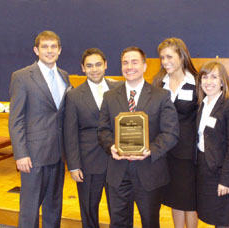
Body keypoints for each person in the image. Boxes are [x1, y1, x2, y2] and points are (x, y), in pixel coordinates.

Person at [98, 46, 180, 228]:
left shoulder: (161, 96)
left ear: (144, 66)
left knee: (150, 223)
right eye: (125, 63)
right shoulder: (110, 97)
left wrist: (150, 150)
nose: (129, 67)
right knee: (118, 223)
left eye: (134, 62)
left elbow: (171, 133)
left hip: (149, 172)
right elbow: (103, 131)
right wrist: (111, 146)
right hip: (118, 172)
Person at [8, 30, 71, 228]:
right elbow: (15, 119)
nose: (49, 51)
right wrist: (20, 154)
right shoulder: (22, 77)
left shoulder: (64, 76)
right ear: (36, 50)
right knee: (30, 208)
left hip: (58, 154)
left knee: (54, 206)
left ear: (60, 50)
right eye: (45, 46)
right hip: (33, 156)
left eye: (54, 47)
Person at [64, 48, 121, 228]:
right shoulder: (73, 96)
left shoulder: (119, 89)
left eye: (98, 64)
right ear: (82, 68)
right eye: (89, 66)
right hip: (89, 163)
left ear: (105, 65)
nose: (94, 69)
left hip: (116, 161)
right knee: (89, 209)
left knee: (119, 210)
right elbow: (70, 133)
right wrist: (73, 166)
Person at [153, 38, 198, 228]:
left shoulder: (196, 82)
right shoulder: (158, 83)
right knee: (173, 199)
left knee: (189, 201)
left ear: (181, 56)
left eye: (169, 56)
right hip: (165, 152)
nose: (165, 61)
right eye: (162, 57)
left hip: (187, 154)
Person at [196, 61, 229, 228]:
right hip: (203, 169)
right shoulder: (202, 105)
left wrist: (225, 179)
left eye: (214, 77)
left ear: (223, 81)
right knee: (210, 215)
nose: (209, 82)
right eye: (205, 77)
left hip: (220, 172)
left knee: (222, 220)